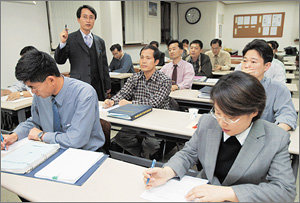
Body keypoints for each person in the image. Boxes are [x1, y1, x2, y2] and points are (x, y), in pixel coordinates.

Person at [143, 71, 296, 202]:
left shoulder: (276, 138)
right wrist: (167, 171)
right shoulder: (208, 122)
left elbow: (285, 191)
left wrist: (229, 193)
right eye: (218, 112)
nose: (222, 123)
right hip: (202, 194)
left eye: (230, 117)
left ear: (254, 111)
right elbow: (188, 153)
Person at [1, 50, 105, 152]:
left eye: (33, 87)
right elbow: (35, 122)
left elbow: (76, 140)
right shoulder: (41, 94)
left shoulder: (84, 94)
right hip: (52, 149)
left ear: (51, 80)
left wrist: (42, 135)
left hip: (84, 153)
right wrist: (14, 135)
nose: (33, 92)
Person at [103, 45, 171, 159]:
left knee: (150, 144)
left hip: (157, 120)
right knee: (120, 138)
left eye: (148, 58)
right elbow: (123, 93)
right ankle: (142, 157)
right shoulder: (135, 77)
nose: (144, 61)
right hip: (136, 118)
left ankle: (145, 158)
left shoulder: (165, 80)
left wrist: (131, 104)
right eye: (142, 57)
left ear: (156, 61)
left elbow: (154, 102)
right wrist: (112, 101)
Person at [54, 5, 111, 101]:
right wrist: (63, 43)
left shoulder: (99, 41)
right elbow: (60, 60)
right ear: (78, 19)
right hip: (79, 85)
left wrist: (107, 85)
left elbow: (104, 65)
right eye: (85, 17)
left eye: (91, 17)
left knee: (99, 112)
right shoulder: (70, 39)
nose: (88, 20)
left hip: (98, 87)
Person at [240, 39, 297, 131]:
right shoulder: (234, 86)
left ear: (266, 66)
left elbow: (287, 116)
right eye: (245, 61)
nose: (247, 66)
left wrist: (273, 133)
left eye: (253, 62)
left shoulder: (277, 89)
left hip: (263, 136)